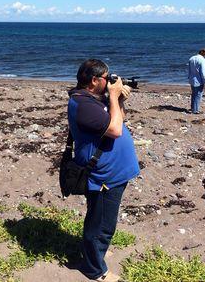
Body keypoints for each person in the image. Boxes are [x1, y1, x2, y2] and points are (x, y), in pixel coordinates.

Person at [67, 59, 140, 282]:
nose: (109, 81)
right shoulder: (84, 105)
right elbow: (116, 130)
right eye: (106, 78)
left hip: (113, 173)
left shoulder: (93, 99)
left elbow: (119, 118)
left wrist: (118, 100)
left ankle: (95, 254)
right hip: (103, 176)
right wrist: (114, 97)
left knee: (103, 222)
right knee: (101, 225)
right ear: (94, 80)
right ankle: (94, 269)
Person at [188, 48, 205, 114]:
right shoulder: (202, 60)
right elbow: (203, 72)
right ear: (204, 54)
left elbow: (189, 70)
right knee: (198, 95)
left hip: (192, 78)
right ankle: (196, 110)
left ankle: (193, 108)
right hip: (199, 80)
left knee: (194, 94)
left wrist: (189, 77)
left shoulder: (191, 58)